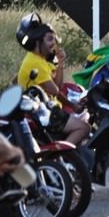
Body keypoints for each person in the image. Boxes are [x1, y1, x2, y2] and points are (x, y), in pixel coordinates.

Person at [15, 13, 91, 146]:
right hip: (45, 112)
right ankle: (61, 154)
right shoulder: (35, 62)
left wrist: (60, 63)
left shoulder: (41, 60)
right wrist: (73, 105)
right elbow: (55, 90)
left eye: (54, 39)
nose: (53, 43)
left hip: (48, 108)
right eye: (50, 39)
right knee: (84, 128)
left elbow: (58, 85)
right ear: (38, 41)